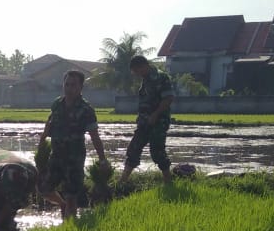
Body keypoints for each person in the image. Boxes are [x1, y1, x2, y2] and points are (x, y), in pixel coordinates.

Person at [37, 69, 108, 219]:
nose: (69, 88)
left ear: (80, 87)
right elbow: (48, 125)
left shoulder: (86, 109)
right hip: (56, 156)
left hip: (74, 158)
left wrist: (102, 159)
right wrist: (41, 143)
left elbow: (94, 136)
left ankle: (69, 226)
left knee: (71, 196)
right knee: (43, 188)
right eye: (67, 84)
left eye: (73, 85)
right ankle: (61, 204)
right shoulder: (57, 104)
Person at [119, 55, 175, 186]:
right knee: (133, 148)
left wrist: (155, 114)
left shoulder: (160, 77)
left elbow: (168, 98)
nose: (137, 74)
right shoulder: (146, 79)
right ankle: (122, 181)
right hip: (144, 121)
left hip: (159, 121)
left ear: (144, 66)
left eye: (137, 71)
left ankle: (168, 181)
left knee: (157, 151)